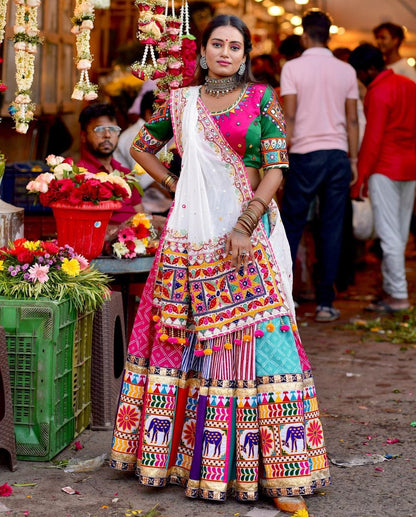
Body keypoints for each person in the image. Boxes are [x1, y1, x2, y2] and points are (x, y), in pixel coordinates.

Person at [109, 14, 330, 514]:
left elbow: (276, 169)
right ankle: (193, 461)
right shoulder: (182, 101)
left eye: (235, 45)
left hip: (247, 234)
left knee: (267, 337)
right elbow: (142, 148)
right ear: (203, 50)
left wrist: (245, 225)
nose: (226, 52)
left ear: (246, 53)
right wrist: (177, 187)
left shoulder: (261, 99)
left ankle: (282, 474)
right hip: (190, 235)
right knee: (186, 337)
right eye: (217, 44)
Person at [279, 8, 359, 322]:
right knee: (331, 227)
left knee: (292, 226)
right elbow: (352, 119)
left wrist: (280, 159)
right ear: (328, 34)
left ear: (304, 33)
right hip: (338, 154)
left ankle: (286, 299)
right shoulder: (346, 71)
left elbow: (290, 117)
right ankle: (326, 302)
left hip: (304, 154)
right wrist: (352, 158)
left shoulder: (292, 68)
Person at [349, 43, 416, 312]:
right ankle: (391, 290)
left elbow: (373, 140)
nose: (359, 78)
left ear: (370, 69)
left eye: (360, 72)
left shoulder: (378, 92)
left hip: (385, 168)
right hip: (410, 167)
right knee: (399, 233)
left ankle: (398, 295)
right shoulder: (408, 85)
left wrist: (359, 180)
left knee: (389, 236)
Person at [77, 102, 142, 225]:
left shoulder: (126, 174)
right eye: (99, 130)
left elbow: (141, 215)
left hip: (134, 239)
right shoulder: (79, 176)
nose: (107, 135)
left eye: (113, 129)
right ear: (84, 136)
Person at [114, 90, 174, 215]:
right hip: (143, 204)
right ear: (148, 113)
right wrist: (174, 194)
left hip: (156, 200)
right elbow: (146, 179)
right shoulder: (135, 135)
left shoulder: (152, 134)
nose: (168, 118)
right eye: (163, 114)